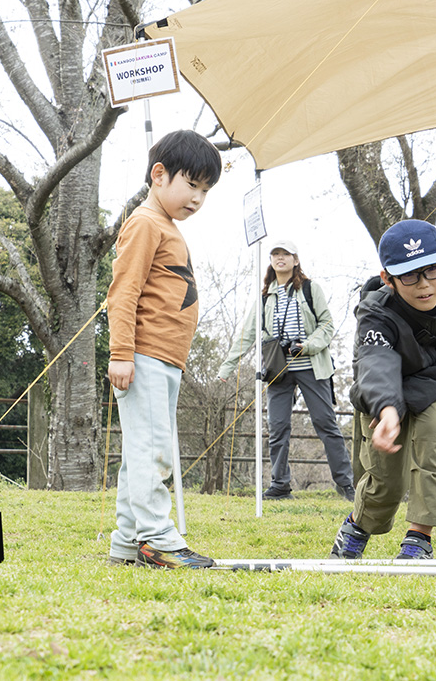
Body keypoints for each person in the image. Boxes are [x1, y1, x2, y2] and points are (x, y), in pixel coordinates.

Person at [329, 220, 436, 561]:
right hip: (384, 392)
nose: (425, 285)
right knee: (386, 478)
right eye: (410, 275)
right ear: (388, 279)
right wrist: (388, 410)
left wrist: (411, 397)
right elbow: (376, 364)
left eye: (432, 270)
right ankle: (357, 526)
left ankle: (418, 540)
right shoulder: (375, 311)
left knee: (434, 441)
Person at [106, 130, 222, 569]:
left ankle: (126, 542)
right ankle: (158, 538)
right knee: (152, 450)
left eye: (205, 191)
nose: (198, 198)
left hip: (166, 361)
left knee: (140, 450)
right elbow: (123, 292)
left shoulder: (166, 226)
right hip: (144, 356)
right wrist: (121, 353)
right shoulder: (144, 223)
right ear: (159, 175)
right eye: (192, 184)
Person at [218, 239, 355, 500]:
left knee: (326, 424)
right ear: (270, 261)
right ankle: (280, 485)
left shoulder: (311, 289)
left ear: (295, 259)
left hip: (311, 365)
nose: (280, 258)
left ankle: (346, 484)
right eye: (275, 254)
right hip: (277, 367)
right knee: (277, 426)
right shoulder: (265, 297)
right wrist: (228, 367)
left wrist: (308, 345)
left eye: (285, 254)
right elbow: (248, 334)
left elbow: (327, 325)